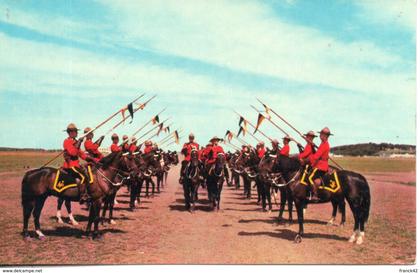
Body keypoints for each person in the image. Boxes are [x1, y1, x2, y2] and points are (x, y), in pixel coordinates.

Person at [62, 123, 92, 204]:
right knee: (83, 176)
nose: (77, 133)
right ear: (71, 132)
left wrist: (89, 158)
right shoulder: (67, 141)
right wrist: (79, 143)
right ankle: (83, 195)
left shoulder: (75, 141)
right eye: (76, 131)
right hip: (70, 165)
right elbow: (73, 153)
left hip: (76, 165)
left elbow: (81, 154)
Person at [308, 127, 332, 202]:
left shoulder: (324, 144)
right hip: (320, 165)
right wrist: (312, 145)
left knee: (309, 177)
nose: (320, 135)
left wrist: (307, 159)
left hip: (321, 166)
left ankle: (315, 195)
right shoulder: (323, 144)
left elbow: (316, 156)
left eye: (321, 134)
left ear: (325, 136)